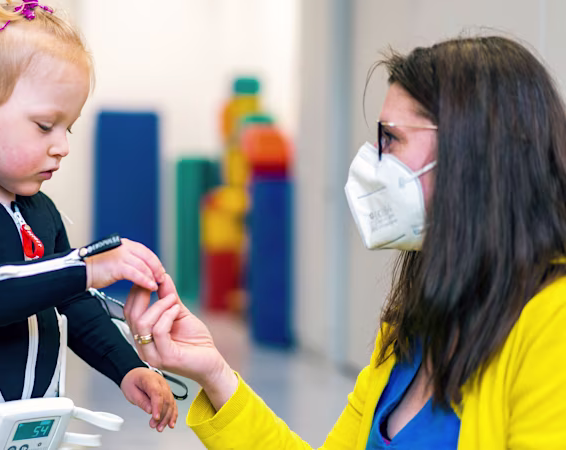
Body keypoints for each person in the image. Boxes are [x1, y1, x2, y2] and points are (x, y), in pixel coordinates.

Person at [125, 36, 566, 449]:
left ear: (473, 152)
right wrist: (215, 373)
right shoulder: (411, 325)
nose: (373, 161)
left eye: (390, 138)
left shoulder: (552, 322)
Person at [0, 2, 177, 448]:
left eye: (69, 128)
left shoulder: (40, 210)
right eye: (45, 125)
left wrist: (128, 367)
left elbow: (74, 305)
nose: (61, 146)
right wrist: (85, 267)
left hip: (30, 438)